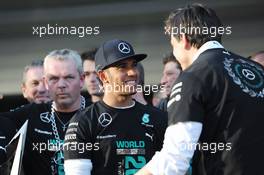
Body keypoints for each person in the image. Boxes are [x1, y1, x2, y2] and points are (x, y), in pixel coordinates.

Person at [136, 3, 264, 175]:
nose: (174, 52)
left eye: (173, 44)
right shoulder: (258, 70)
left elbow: (174, 162)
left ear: (184, 39)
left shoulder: (192, 78)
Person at [64, 39, 168, 175]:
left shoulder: (158, 118)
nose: (132, 72)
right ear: (103, 76)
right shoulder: (83, 122)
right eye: (122, 66)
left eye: (134, 65)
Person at [0, 49, 92, 175]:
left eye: (68, 77)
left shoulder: (98, 114)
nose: (61, 85)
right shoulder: (30, 114)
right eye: (54, 78)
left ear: (81, 80)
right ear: (46, 82)